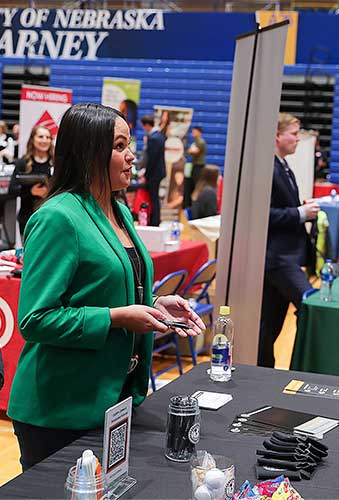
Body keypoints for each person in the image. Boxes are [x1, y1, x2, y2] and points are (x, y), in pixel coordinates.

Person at [7, 103, 205, 471]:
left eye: (129, 145)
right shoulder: (57, 217)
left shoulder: (118, 210)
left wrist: (155, 302)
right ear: (88, 152)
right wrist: (117, 318)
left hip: (114, 399)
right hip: (60, 409)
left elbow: (107, 285)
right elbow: (35, 319)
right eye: (119, 146)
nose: (131, 156)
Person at [258, 113, 318, 368]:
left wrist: (299, 208)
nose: (297, 139)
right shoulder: (269, 168)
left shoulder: (282, 166)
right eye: (293, 133)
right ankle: (303, 366)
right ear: (276, 136)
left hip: (285, 255)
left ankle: (263, 372)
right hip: (278, 258)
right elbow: (264, 214)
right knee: (309, 305)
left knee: (270, 325)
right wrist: (300, 213)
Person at [9, 125, 54, 238]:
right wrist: (31, 192)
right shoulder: (22, 163)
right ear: (32, 139)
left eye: (48, 137)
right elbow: (12, 190)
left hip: (52, 218)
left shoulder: (57, 163)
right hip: (27, 218)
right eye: (41, 136)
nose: (45, 140)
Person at [140, 115, 166, 226]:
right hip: (158, 172)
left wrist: (146, 175)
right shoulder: (159, 136)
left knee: (154, 198)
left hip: (154, 173)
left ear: (146, 125)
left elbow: (151, 159)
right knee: (155, 198)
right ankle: (155, 220)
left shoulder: (154, 138)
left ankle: (154, 222)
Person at [185, 125, 207, 208]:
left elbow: (194, 151)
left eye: (194, 131)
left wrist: (189, 151)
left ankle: (197, 203)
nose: (193, 133)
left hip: (199, 166)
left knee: (197, 184)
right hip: (195, 165)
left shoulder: (200, 142)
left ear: (199, 132)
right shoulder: (195, 141)